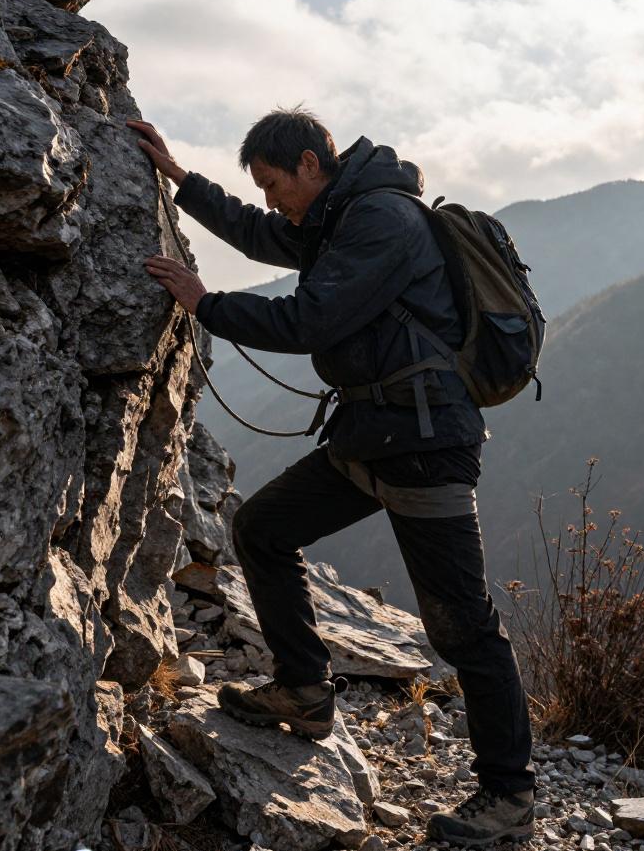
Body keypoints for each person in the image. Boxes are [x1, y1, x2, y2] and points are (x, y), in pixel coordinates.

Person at [128, 109, 537, 846]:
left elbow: (309, 319)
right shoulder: (335, 215)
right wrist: (181, 181)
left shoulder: (381, 221)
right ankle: (306, 689)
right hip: (372, 434)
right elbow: (263, 235)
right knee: (262, 527)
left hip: (422, 442)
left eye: (277, 183)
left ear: (313, 163)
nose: (274, 199)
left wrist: (207, 303)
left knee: (461, 624)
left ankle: (509, 795)